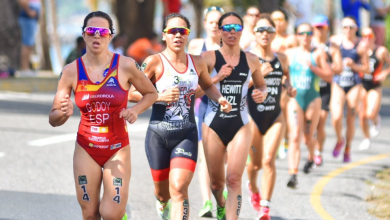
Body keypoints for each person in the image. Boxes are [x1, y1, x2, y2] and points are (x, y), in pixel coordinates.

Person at [49, 11, 157, 220]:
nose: (96, 35)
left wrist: (135, 110)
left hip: (117, 148)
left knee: (111, 213)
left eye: (102, 32)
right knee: (89, 214)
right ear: (84, 35)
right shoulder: (71, 71)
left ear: (110, 36)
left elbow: (151, 93)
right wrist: (62, 113)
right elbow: (53, 117)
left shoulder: (126, 65)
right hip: (86, 148)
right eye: (91, 31)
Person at [128, 13, 232, 220]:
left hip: (186, 134)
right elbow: (132, 93)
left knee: (179, 188)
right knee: (162, 192)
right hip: (158, 135)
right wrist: (159, 96)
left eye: (182, 31)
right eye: (172, 31)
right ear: (164, 35)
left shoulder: (198, 62)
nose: (177, 35)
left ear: (187, 35)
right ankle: (161, 202)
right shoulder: (153, 62)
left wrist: (220, 99)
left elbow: (208, 86)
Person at [201, 12, 268, 220]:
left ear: (242, 31)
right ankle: (220, 204)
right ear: (220, 31)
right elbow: (195, 90)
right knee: (216, 184)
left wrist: (261, 94)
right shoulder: (209, 58)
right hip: (213, 124)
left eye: (237, 28)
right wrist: (218, 77)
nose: (232, 32)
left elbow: (262, 85)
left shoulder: (252, 59)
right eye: (227, 28)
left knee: (233, 180)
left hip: (240, 124)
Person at [246, 15, 296, 220]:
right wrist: (257, 77)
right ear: (254, 33)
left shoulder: (282, 58)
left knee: (268, 161)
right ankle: (253, 187)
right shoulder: (248, 58)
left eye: (269, 30)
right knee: (254, 165)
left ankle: (265, 207)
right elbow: (236, 88)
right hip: (252, 117)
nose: (264, 34)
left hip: (275, 116)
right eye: (260, 30)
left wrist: (290, 88)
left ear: (275, 33)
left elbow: (287, 80)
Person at [187, 5, 224, 218]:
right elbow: (190, 75)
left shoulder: (230, 47)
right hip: (203, 107)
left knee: (221, 159)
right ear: (205, 24)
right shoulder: (196, 45)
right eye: (211, 22)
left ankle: (221, 197)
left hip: (226, 107)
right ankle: (206, 203)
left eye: (219, 23)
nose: (215, 27)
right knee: (203, 157)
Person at [285, 23, 332, 188]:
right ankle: (293, 174)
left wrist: (312, 66)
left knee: (308, 138)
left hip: (313, 99)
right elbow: (283, 75)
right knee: (295, 136)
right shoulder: (290, 54)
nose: (305, 36)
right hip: (295, 100)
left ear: (312, 35)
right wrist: (288, 87)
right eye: (301, 33)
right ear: (297, 35)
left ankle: (312, 157)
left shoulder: (317, 54)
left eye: (308, 33)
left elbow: (329, 76)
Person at [330, 16, 369, 162]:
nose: (348, 30)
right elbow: (331, 62)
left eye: (351, 27)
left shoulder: (361, 45)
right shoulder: (335, 42)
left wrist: (353, 66)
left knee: (351, 118)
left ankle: (348, 148)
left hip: (354, 84)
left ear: (356, 29)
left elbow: (367, 69)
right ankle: (340, 139)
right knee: (336, 116)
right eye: (345, 27)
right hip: (338, 83)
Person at [311, 15, 343, 166]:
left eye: (321, 27)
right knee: (309, 123)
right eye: (316, 27)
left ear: (327, 28)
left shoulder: (332, 46)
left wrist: (326, 67)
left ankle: (318, 152)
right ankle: (311, 148)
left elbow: (339, 67)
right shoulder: (309, 44)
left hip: (325, 88)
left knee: (321, 122)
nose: (319, 31)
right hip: (310, 87)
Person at [270, 9, 298, 158]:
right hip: (268, 79)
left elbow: (294, 58)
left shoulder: (291, 39)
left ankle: (284, 139)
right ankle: (274, 141)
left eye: (281, 19)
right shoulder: (267, 37)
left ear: (287, 22)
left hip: (286, 79)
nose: (278, 22)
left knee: (283, 110)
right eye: (275, 19)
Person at [358, 27, 390, 150]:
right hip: (362, 84)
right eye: (364, 36)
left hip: (375, 86)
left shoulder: (380, 51)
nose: (366, 39)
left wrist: (385, 73)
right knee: (362, 116)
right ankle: (366, 138)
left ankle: (376, 120)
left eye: (369, 36)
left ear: (374, 38)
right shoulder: (360, 50)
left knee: (370, 113)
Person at [17, 0, 41, 75]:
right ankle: (24, 69)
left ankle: (26, 68)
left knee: (29, 44)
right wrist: (29, 11)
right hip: (27, 18)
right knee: (27, 43)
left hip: (31, 19)